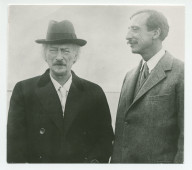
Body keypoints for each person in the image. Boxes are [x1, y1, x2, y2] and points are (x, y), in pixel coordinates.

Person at [7, 20, 114, 163]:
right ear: (45, 55)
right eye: (53, 50)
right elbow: (14, 143)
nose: (59, 57)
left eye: (65, 50)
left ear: (75, 56)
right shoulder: (24, 90)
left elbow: (104, 139)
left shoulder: (94, 92)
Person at [111, 10, 184, 163]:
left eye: (135, 29)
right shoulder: (129, 76)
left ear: (156, 33)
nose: (128, 36)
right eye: (128, 29)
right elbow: (121, 135)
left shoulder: (182, 73)